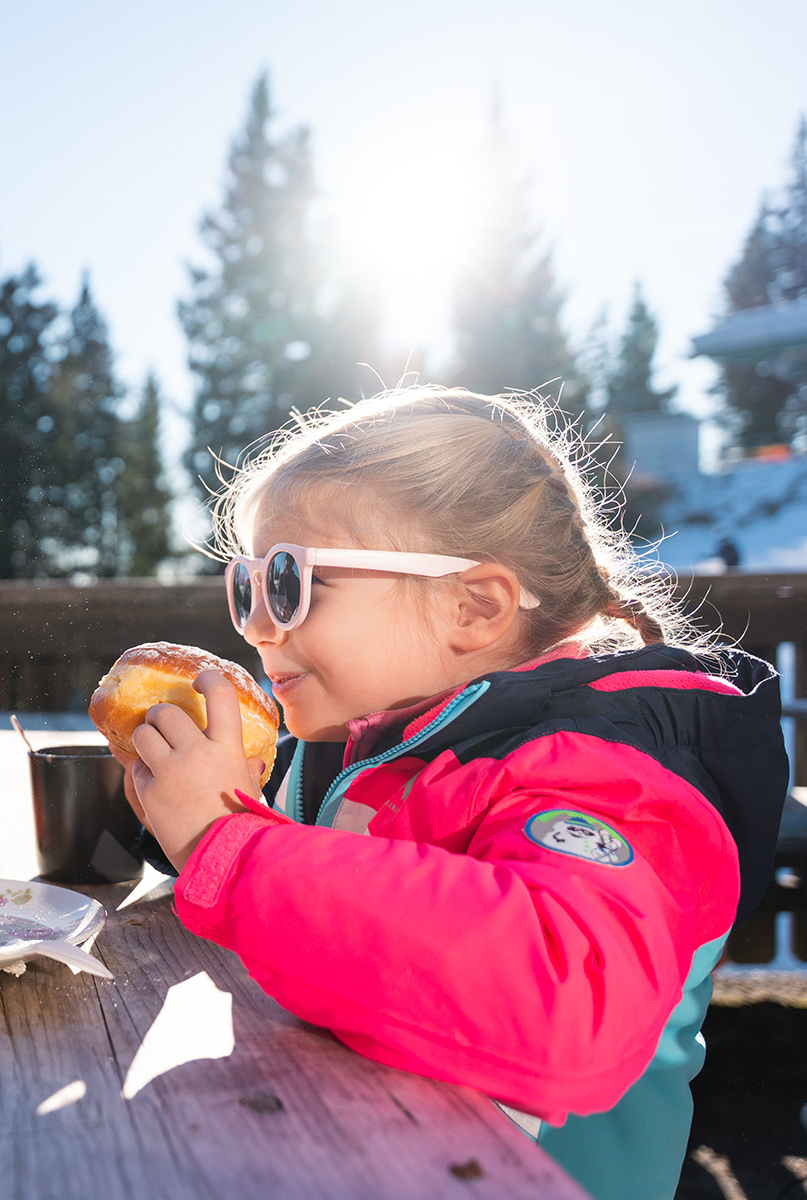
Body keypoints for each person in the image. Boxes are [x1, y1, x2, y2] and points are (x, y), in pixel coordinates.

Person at [122, 388, 786, 1200]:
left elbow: (564, 1000)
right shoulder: (372, 744)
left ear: (472, 607)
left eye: (291, 582)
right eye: (247, 586)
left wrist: (225, 848)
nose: (259, 627)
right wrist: (177, 812)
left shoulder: (605, 774)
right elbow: (320, 865)